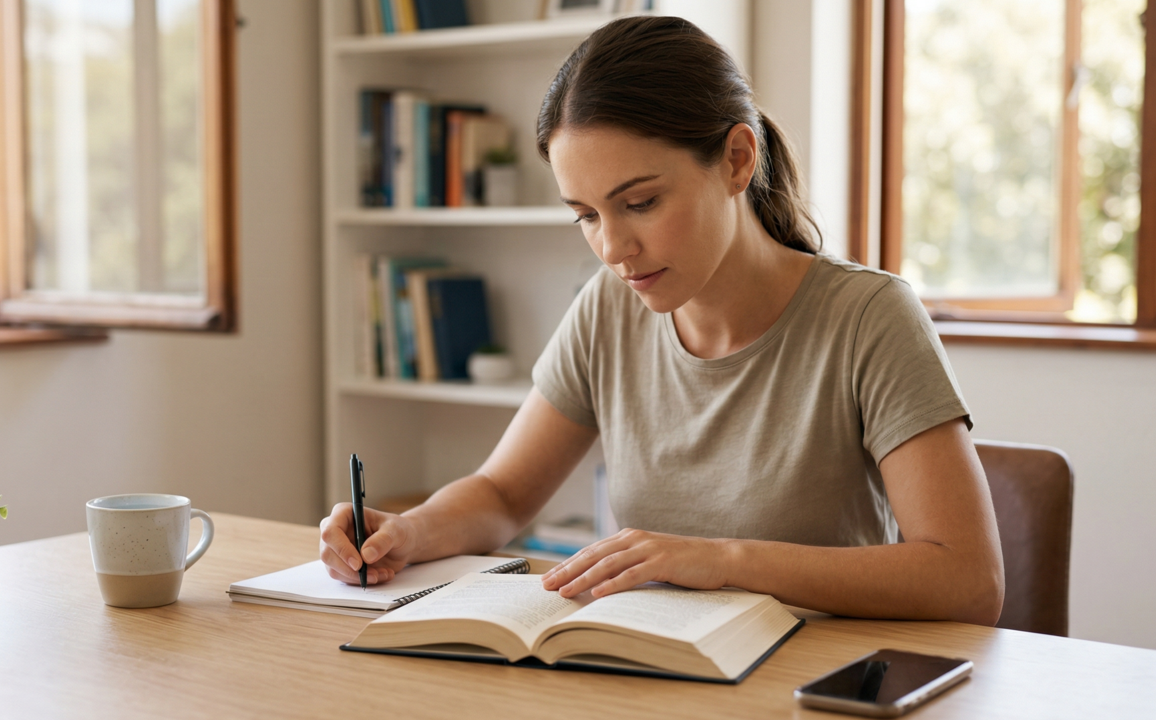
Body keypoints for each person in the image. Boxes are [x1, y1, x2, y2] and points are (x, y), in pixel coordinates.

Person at [320, 16, 1004, 624]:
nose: (613, 249)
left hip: (811, 688)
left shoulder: (869, 317)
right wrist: (409, 532)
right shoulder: (609, 306)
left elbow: (967, 579)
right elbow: (502, 494)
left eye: (640, 202)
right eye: (586, 214)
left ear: (737, 160)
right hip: (657, 677)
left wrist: (724, 560)